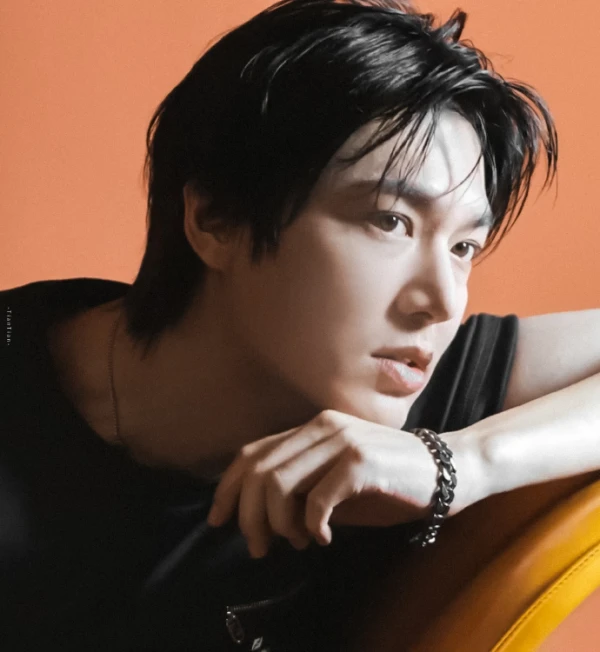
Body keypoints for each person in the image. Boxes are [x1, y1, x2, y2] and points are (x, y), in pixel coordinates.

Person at [2, 0, 600, 650]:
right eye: (390, 221)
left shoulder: (389, 404)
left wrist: (460, 464)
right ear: (215, 220)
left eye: (463, 247)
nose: (440, 301)